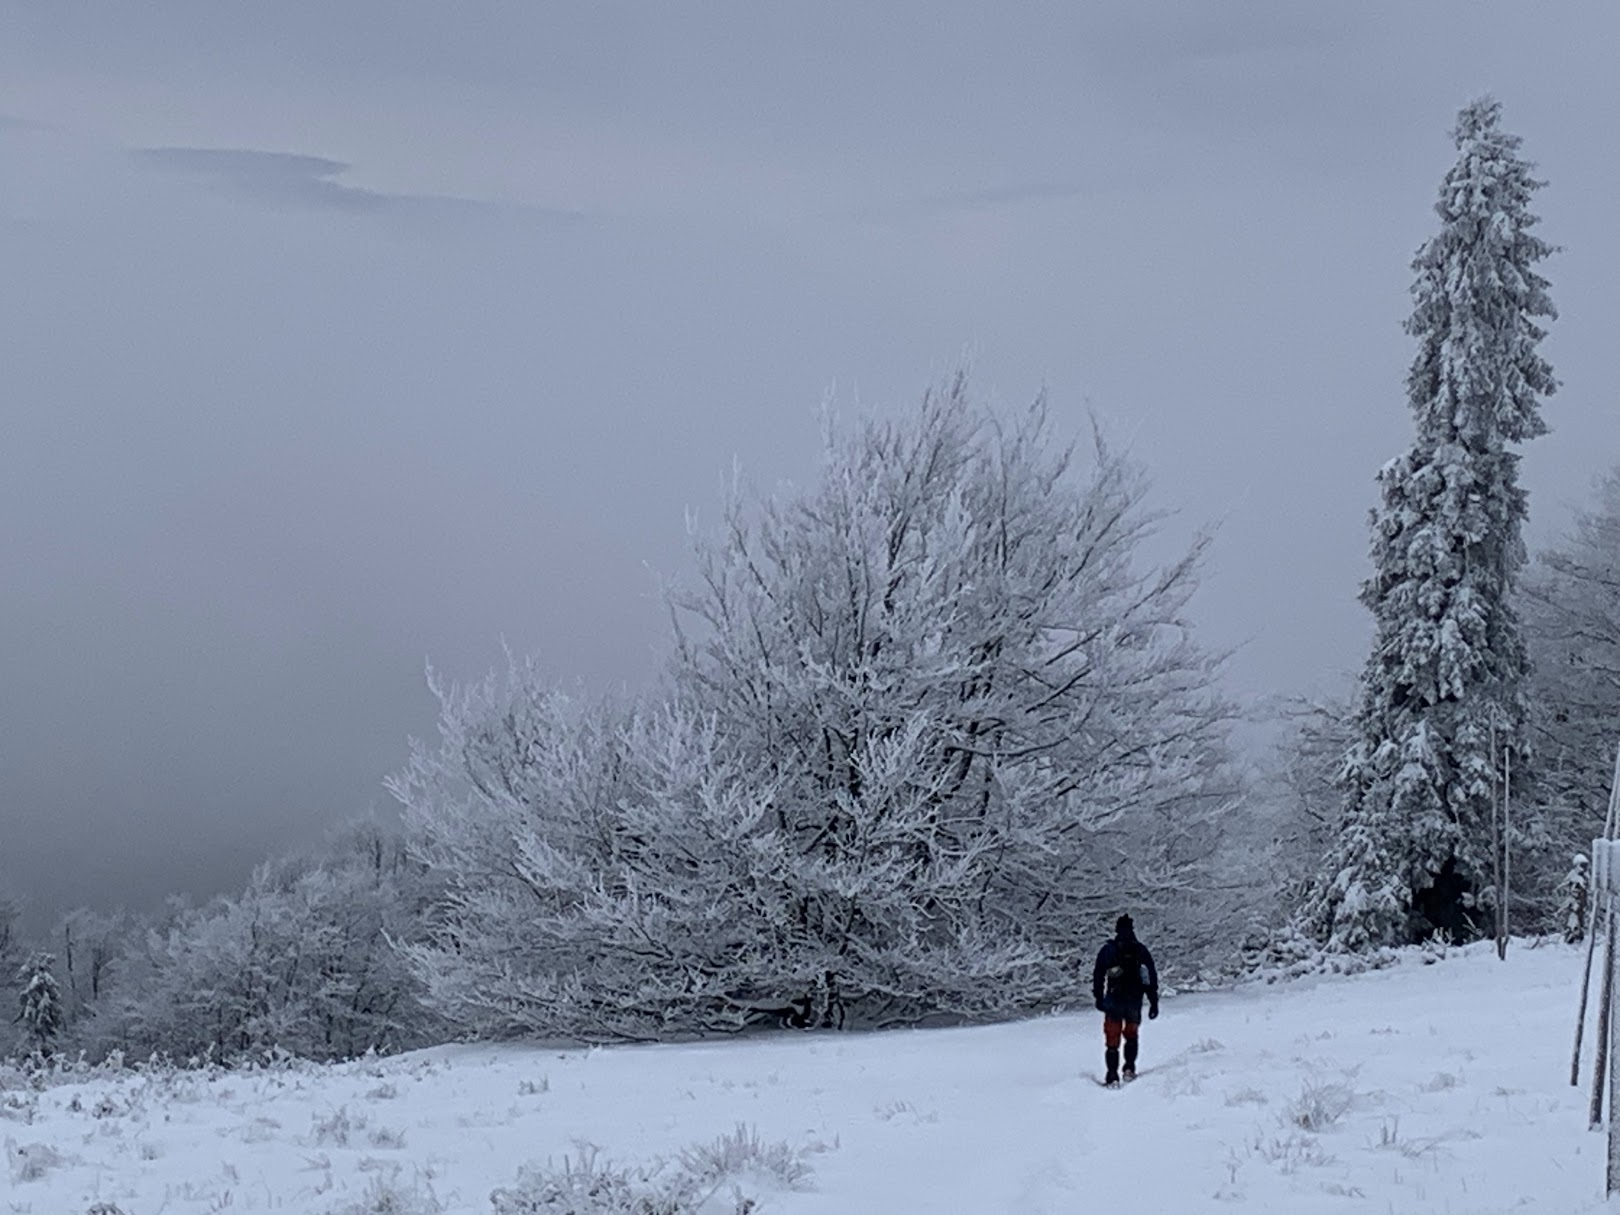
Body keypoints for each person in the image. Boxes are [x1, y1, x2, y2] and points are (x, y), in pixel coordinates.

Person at [1092, 914, 1159, 1086]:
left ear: (1116, 930)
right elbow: (1149, 976)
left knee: (1112, 1042)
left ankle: (1112, 1075)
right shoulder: (1140, 950)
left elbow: (1099, 974)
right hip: (1134, 1001)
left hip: (1113, 1001)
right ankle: (1129, 1068)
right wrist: (1153, 1001)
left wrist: (1099, 997)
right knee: (1131, 1036)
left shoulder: (1108, 950)